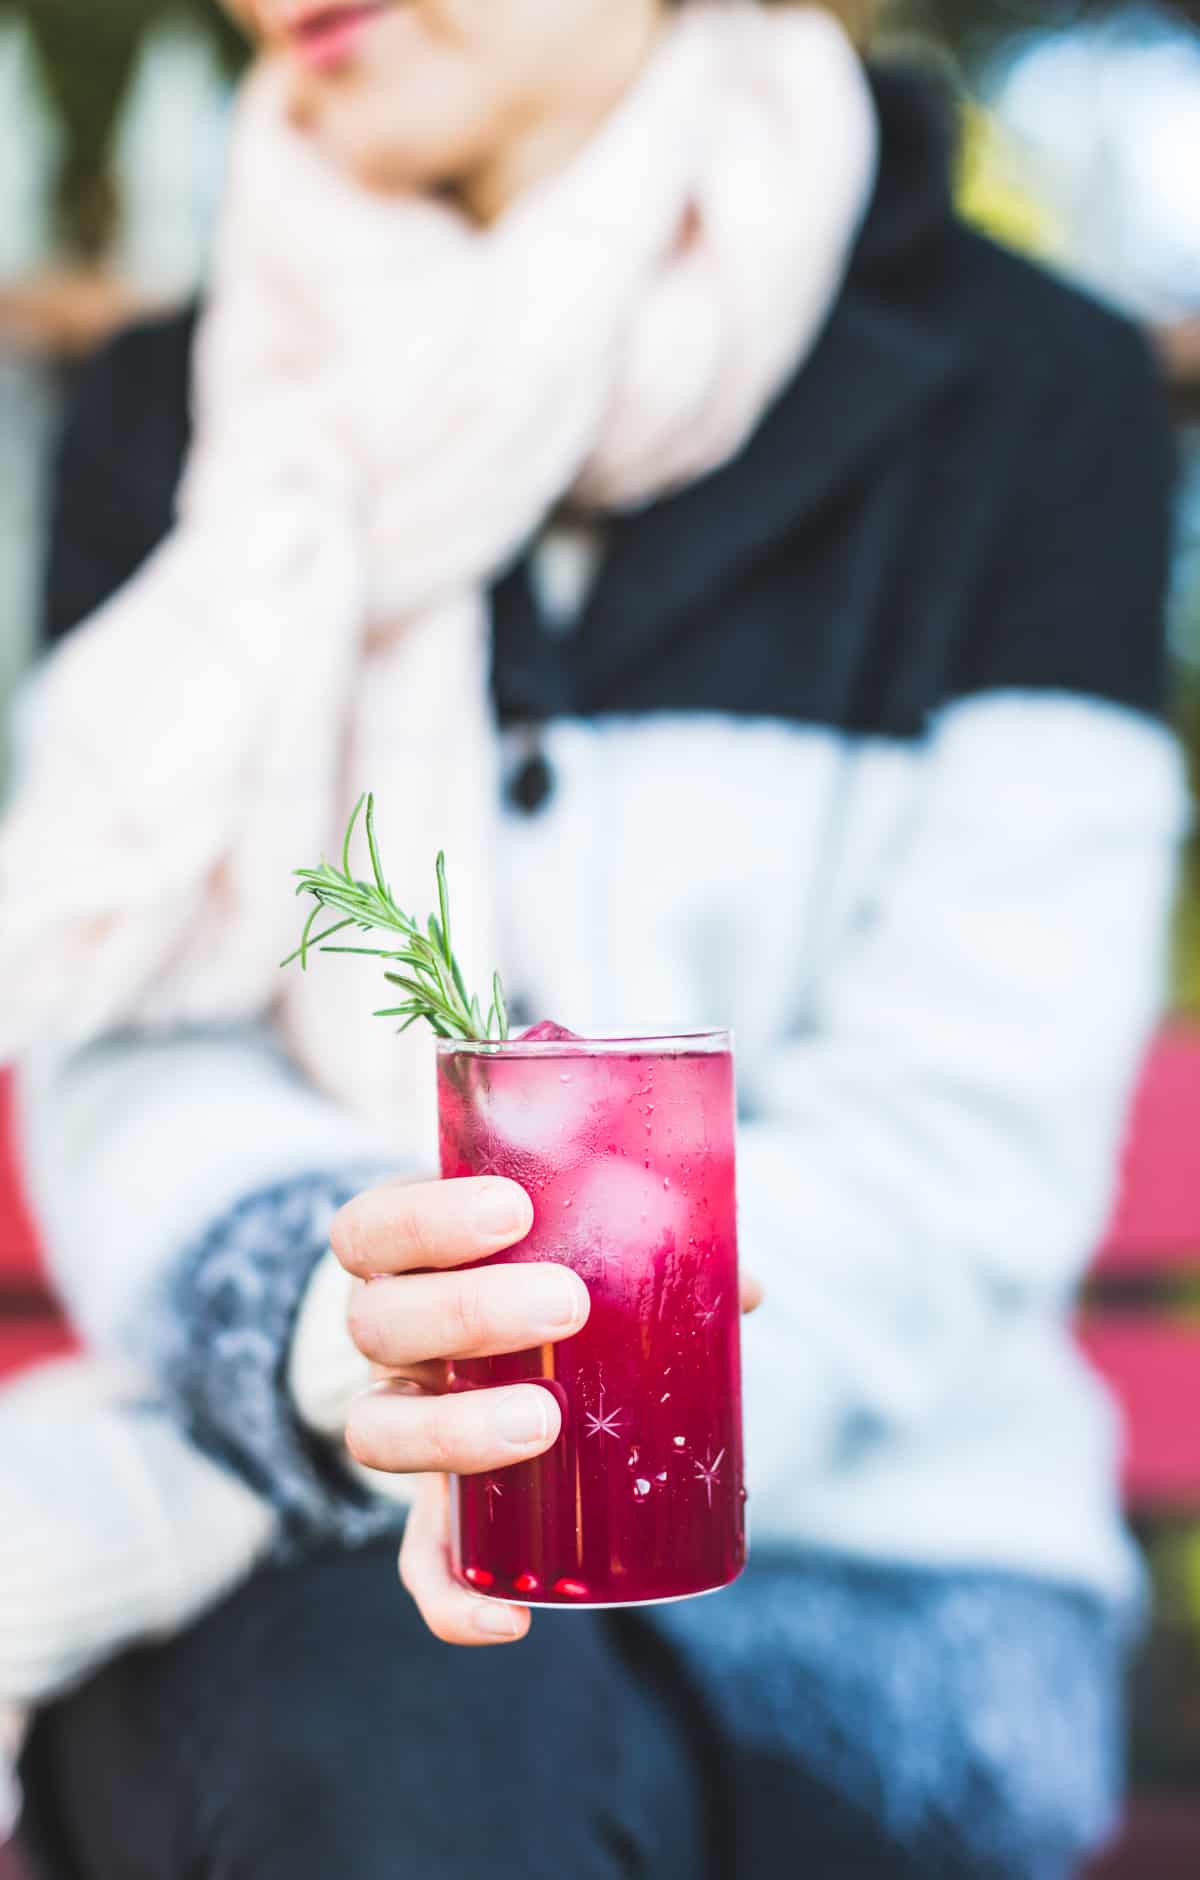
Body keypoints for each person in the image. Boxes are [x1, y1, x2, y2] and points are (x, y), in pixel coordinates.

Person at [0, 0, 1187, 1874]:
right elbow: (133, 1031)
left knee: (395, 1708)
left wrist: (528, 1422)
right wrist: (337, 1355)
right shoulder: (180, 413)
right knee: (380, 1694)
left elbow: (960, 1132)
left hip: (858, 1601)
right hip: (300, 1522)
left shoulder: (1023, 390)